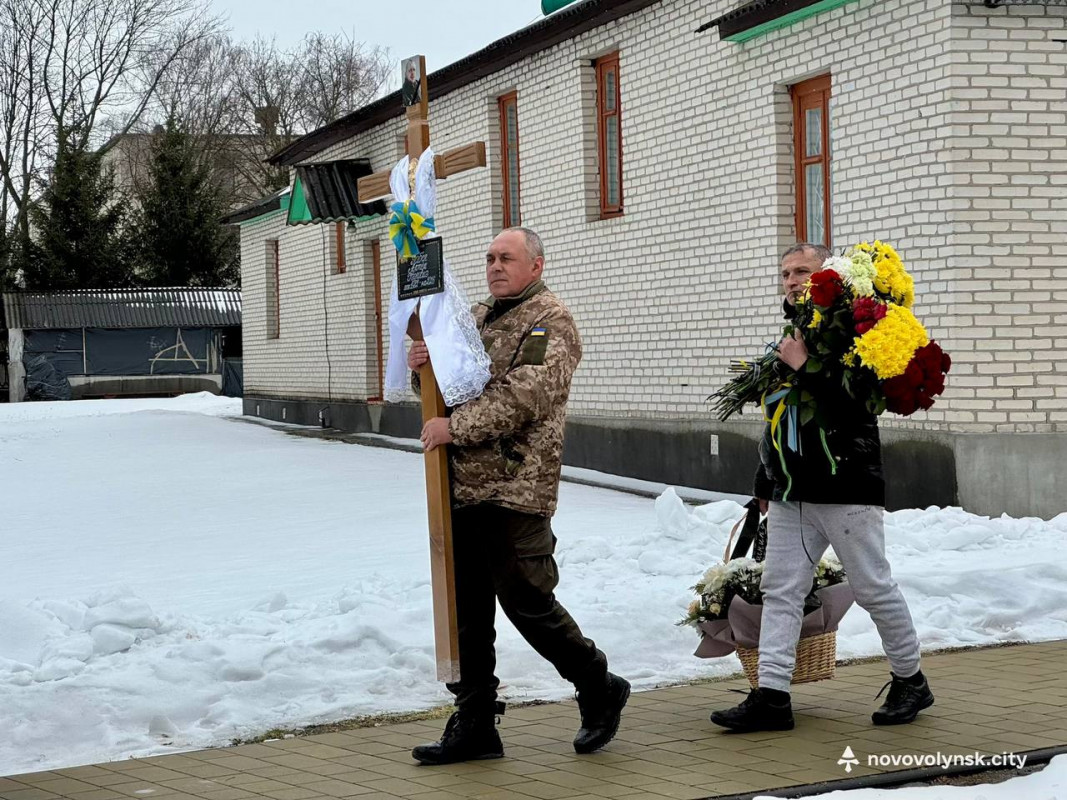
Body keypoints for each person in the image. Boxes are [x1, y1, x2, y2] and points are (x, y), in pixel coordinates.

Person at [409, 227, 629, 765]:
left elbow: (524, 395)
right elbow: (452, 387)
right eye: (489, 258)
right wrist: (425, 366)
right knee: (466, 609)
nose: (494, 266)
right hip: (460, 485)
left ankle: (597, 684)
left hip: (516, 485)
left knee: (526, 600)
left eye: (506, 257)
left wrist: (452, 430)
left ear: (536, 265)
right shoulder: (478, 316)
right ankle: (476, 721)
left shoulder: (551, 320)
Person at [710, 242, 933, 733]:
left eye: (802, 272)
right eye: (785, 273)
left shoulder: (855, 331)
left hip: (846, 483)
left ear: (827, 276)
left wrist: (805, 366)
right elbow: (779, 417)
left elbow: (859, 405)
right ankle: (771, 696)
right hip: (794, 488)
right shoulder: (793, 334)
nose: (791, 281)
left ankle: (911, 679)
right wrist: (765, 480)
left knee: (873, 586)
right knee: (781, 589)